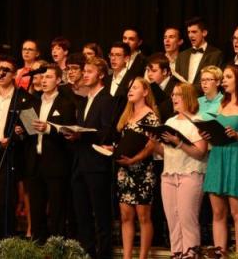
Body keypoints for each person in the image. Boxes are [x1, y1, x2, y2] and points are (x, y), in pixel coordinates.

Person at [201, 65, 238, 254]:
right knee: (218, 213)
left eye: (227, 77)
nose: (224, 80)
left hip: (237, 158)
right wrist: (208, 134)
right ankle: (220, 253)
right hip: (218, 157)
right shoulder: (222, 104)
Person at [0, 55, 33, 242]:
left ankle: (8, 242)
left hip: (10, 154)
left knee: (6, 201)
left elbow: (31, 131)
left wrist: (18, 134)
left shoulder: (24, 98)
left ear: (14, 74)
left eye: (6, 70)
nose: (0, 73)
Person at [67, 57, 117, 259]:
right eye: (84, 71)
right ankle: (86, 252)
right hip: (80, 162)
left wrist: (82, 134)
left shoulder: (107, 99)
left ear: (101, 75)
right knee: (82, 213)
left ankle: (104, 254)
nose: (84, 74)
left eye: (89, 71)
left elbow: (106, 132)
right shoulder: (85, 99)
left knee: (101, 214)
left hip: (97, 164)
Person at [154, 82, 209, 257]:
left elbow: (200, 153)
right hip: (169, 174)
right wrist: (153, 143)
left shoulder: (198, 121)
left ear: (188, 97)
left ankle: (190, 254)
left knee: (188, 219)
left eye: (177, 94)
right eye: (173, 95)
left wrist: (178, 142)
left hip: (190, 174)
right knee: (172, 220)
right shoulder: (170, 121)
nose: (173, 98)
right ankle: (176, 253)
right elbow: (166, 152)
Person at [26, 64, 78, 242]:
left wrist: (49, 129)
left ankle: (56, 246)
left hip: (56, 163)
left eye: (48, 77)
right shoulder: (33, 102)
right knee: (36, 209)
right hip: (35, 162)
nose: (43, 80)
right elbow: (29, 132)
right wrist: (21, 130)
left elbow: (69, 132)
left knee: (57, 210)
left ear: (58, 80)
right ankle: (37, 245)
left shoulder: (66, 104)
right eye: (42, 77)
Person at [114, 79, 161, 259]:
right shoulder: (127, 114)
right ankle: (126, 256)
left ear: (145, 92)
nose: (130, 91)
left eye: (135, 88)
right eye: (129, 88)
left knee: (143, 216)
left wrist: (135, 159)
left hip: (142, 170)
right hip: (125, 170)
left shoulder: (150, 116)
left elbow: (152, 144)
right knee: (125, 215)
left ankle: (142, 256)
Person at [176, 17, 224, 88]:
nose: (190, 35)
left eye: (194, 32)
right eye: (188, 32)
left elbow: (218, 80)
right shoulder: (181, 56)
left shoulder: (216, 54)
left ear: (204, 33)